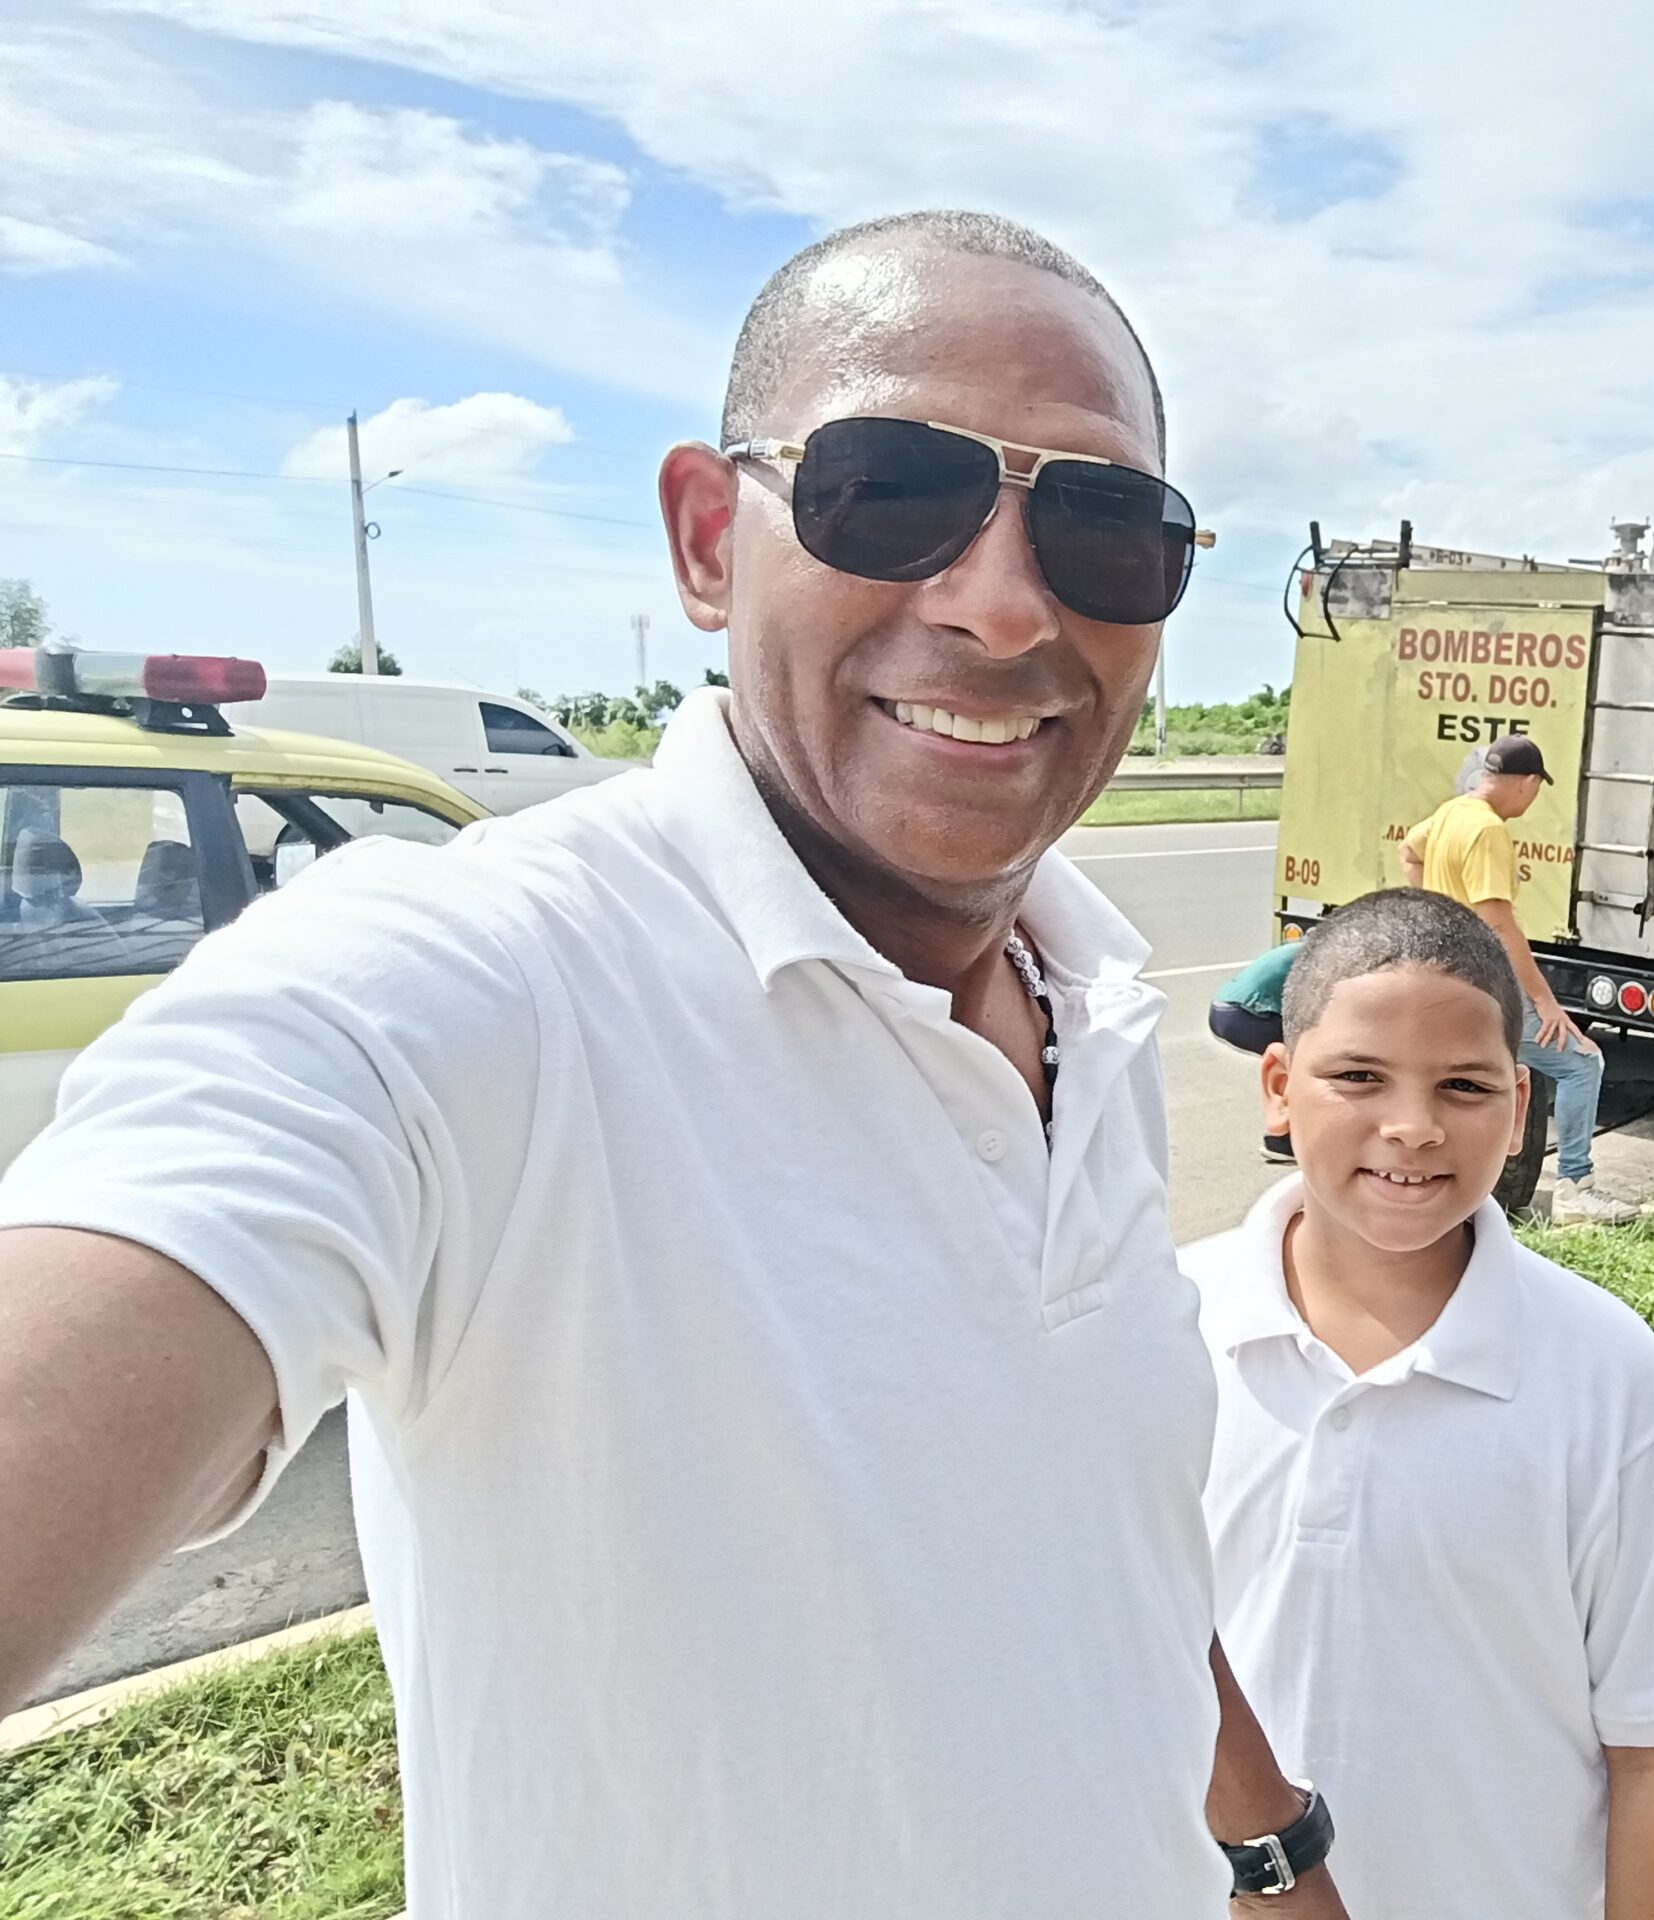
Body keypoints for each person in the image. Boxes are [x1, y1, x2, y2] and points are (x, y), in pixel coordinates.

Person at [0, 213, 1345, 1918]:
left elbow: (1102, 1531)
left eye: (1100, 525)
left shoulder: (1091, 1001)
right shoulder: (474, 995)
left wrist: (1270, 1843)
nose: (1006, 607)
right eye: (889, 489)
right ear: (711, 541)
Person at [1187, 888, 1654, 1918]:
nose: (1410, 1128)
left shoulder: (1606, 1379)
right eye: (1357, 1077)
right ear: (1278, 1088)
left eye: (1463, 1086)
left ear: (1520, 1107)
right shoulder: (1166, 1333)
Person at [1400, 734, 1636, 1224]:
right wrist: (1546, 1002)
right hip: (1485, 983)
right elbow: (1500, 926)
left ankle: (1466, 1191)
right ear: (1527, 783)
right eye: (1536, 788)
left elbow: (1410, 850)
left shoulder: (1451, 813)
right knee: (1581, 1064)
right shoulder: (1488, 832)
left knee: (1486, 1079)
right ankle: (1576, 1188)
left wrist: (1436, 916)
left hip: (1449, 977)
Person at [1212, 939, 1301, 1161]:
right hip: (1243, 1015)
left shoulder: (1306, 946)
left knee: (1292, 1068)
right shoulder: (1325, 955)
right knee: (1306, 1067)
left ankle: (1285, 1137)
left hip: (1221, 1010)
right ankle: (1283, 1141)